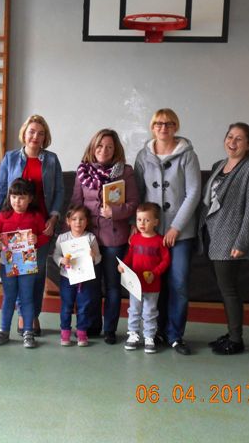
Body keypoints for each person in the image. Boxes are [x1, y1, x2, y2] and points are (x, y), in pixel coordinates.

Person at [134, 108, 201, 355]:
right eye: (159, 124)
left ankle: (175, 335)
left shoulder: (188, 155)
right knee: (153, 281)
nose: (164, 128)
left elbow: (193, 193)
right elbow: (138, 193)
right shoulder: (143, 156)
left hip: (180, 232)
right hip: (150, 233)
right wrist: (136, 226)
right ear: (153, 127)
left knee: (179, 282)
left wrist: (176, 227)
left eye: (169, 123)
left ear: (176, 127)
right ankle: (155, 331)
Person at [0, 115, 64, 336]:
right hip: (13, 226)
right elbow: (1, 188)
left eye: (41, 133)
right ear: (24, 133)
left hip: (40, 225)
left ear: (45, 137)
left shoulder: (51, 160)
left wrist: (53, 218)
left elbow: (59, 191)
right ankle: (23, 314)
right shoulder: (11, 157)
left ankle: (32, 315)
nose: (35, 136)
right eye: (32, 131)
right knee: (16, 271)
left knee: (37, 272)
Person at [198, 123, 249, 355]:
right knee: (224, 288)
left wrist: (242, 241)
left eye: (239, 139)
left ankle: (236, 339)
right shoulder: (218, 165)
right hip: (210, 235)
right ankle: (231, 333)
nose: (232, 142)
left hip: (231, 237)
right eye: (229, 137)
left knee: (229, 290)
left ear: (248, 144)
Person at [71, 129, 139, 344]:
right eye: (100, 146)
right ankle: (91, 326)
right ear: (93, 147)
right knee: (89, 286)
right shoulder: (82, 171)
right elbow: (76, 204)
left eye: (109, 147)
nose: (104, 150)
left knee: (112, 287)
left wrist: (115, 212)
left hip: (114, 239)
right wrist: (74, 233)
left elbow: (134, 204)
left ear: (115, 149)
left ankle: (110, 329)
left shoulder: (125, 172)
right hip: (87, 238)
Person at [0, 179, 49, 349]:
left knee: (27, 297)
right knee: (9, 297)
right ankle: (4, 330)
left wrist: (37, 239)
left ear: (30, 199)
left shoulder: (36, 216)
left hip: (27, 263)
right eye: (14, 197)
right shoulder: (3, 216)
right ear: (9, 197)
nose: (17, 201)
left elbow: (45, 236)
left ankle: (28, 331)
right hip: (7, 262)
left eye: (22, 197)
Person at [119, 203, 171, 354]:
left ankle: (149, 337)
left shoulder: (160, 241)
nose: (142, 223)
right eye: (139, 220)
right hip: (135, 285)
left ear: (156, 222)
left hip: (152, 285)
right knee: (134, 310)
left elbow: (166, 261)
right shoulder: (135, 239)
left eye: (146, 220)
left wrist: (155, 273)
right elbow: (129, 256)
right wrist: (122, 265)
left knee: (150, 312)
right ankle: (133, 334)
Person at [52, 204, 102, 347]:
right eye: (74, 219)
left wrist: (93, 256)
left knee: (84, 306)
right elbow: (56, 255)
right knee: (66, 306)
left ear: (87, 221)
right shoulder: (62, 238)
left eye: (81, 219)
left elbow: (99, 258)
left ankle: (82, 333)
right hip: (67, 278)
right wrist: (62, 260)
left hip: (85, 279)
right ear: (68, 221)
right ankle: (65, 333)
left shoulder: (90, 238)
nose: (78, 222)